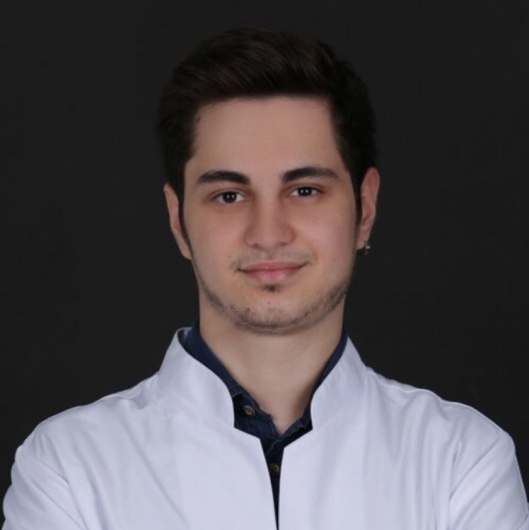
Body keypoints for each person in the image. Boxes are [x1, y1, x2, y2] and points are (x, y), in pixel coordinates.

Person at [3, 27, 528, 530]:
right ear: (178, 219)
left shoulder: (461, 462)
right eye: (229, 195)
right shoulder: (70, 469)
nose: (268, 233)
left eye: (304, 190)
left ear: (364, 208)